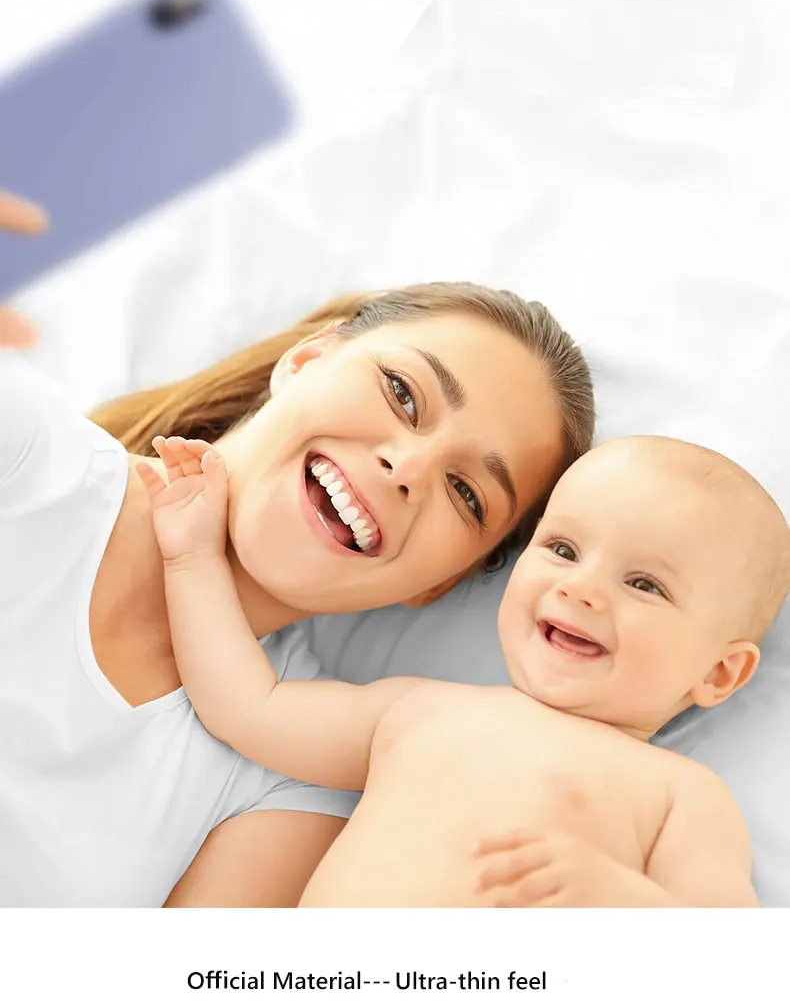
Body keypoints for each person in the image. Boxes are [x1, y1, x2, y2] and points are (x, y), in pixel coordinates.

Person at [0, 190, 595, 907]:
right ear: (306, 360)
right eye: (404, 394)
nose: (407, 468)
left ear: (439, 583)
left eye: (467, 494)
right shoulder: (25, 452)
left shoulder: (293, 786)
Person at [138, 432, 790, 907]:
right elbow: (247, 707)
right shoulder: (417, 711)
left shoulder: (681, 795)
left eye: (645, 585)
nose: (580, 589)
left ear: (720, 674)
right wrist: (191, 558)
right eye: (563, 549)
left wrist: (618, 899)